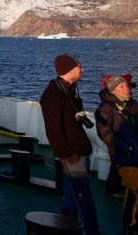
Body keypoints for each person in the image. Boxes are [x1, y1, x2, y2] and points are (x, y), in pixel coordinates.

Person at [40, 54, 100, 235]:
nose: (82, 69)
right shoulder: (53, 95)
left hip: (78, 151)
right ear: (68, 71)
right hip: (73, 155)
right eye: (79, 67)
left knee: (71, 198)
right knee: (84, 201)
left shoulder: (69, 90)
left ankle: (66, 228)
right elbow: (53, 130)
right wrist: (67, 154)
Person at [96, 75, 138, 235]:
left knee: (132, 194)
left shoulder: (135, 106)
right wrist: (128, 148)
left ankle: (128, 226)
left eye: (127, 86)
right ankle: (137, 229)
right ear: (112, 89)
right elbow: (107, 135)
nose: (127, 89)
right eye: (122, 86)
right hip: (125, 159)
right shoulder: (105, 109)